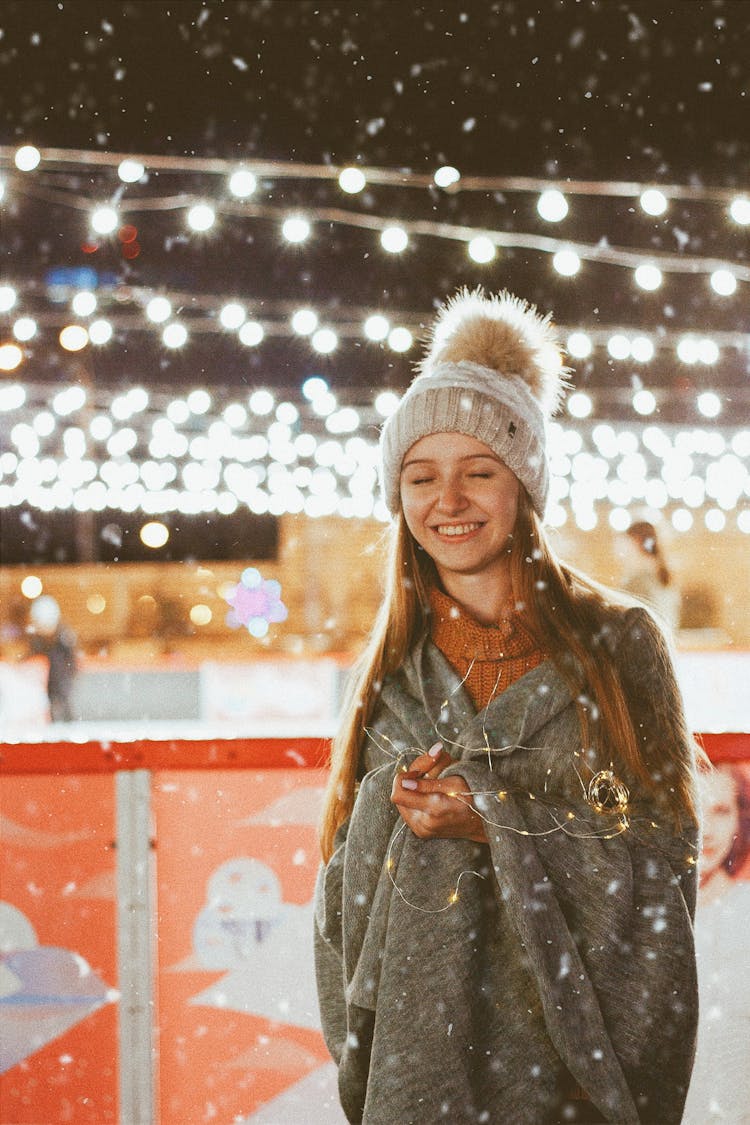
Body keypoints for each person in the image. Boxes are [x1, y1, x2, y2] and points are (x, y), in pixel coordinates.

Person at [313, 289, 701, 1125]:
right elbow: (336, 890)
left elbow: (663, 868)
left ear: (524, 483)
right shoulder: (387, 674)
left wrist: (498, 819)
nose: (447, 500)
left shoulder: (619, 646)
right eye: (421, 476)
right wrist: (398, 819)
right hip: (423, 1079)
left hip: (569, 1081)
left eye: (478, 471)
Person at [682, 763, 750, 1125]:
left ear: (741, 818)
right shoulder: (648, 918)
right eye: (694, 809)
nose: (705, 829)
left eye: (721, 811)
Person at [617, 520, 681, 632]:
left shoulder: (640, 575)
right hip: (662, 637)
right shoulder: (660, 569)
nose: (623, 550)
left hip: (647, 639)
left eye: (627, 542)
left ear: (637, 541)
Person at [27, 594, 78, 722]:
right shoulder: (37, 643)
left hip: (58, 697)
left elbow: (66, 672)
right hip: (44, 698)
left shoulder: (63, 642)